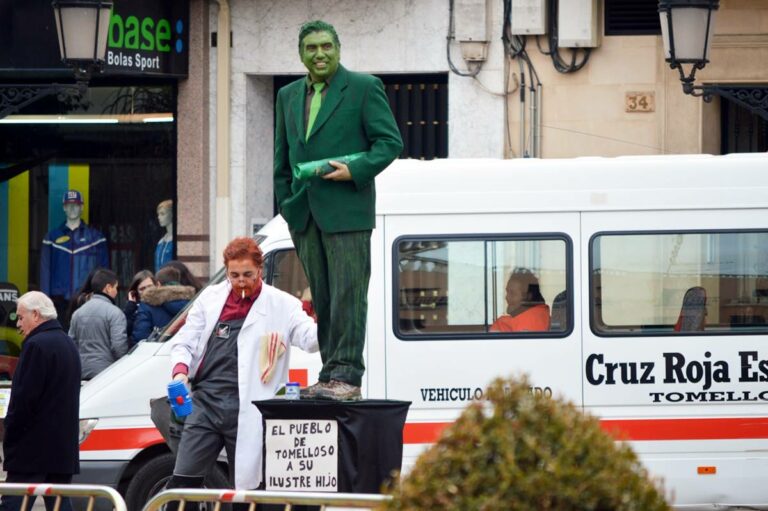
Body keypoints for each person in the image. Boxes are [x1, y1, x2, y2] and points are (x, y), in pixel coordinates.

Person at [273, 20, 403, 401]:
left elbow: (389, 142)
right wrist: (287, 202)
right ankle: (330, 373)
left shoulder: (364, 88)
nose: (319, 54)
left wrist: (355, 170)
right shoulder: (287, 95)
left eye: (326, 46)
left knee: (348, 295)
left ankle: (346, 375)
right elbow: (282, 155)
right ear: (301, 54)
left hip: (348, 212)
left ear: (338, 49)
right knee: (324, 299)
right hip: (305, 213)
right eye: (311, 48)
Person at [166, 237, 318, 493]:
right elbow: (185, 342)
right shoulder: (210, 300)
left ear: (260, 269)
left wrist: (329, 315)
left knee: (247, 492)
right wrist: (180, 371)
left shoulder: (283, 304)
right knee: (183, 483)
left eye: (248, 274)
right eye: (233, 275)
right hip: (206, 405)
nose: (240, 281)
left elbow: (310, 340)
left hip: (249, 409)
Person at [1, 291, 80, 511]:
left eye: (21, 316)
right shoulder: (68, 343)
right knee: (60, 503)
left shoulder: (36, 345)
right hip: (62, 446)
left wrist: (10, 431)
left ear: (35, 315)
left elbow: (24, 400)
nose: (18, 323)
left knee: (13, 503)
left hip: (32, 447)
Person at [40, 190, 108, 324]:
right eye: (69, 205)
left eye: (76, 205)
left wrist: (101, 297)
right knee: (60, 339)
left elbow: (103, 272)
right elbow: (45, 270)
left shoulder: (95, 238)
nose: (72, 208)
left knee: (85, 340)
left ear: (82, 207)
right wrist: (45, 300)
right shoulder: (52, 238)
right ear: (64, 208)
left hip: (87, 299)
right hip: (58, 301)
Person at [68, 268, 129, 379]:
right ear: (108, 288)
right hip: (106, 373)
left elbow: (71, 345)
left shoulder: (77, 313)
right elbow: (119, 348)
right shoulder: (115, 313)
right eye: (116, 287)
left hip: (81, 372)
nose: (116, 291)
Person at [132, 266, 195, 344]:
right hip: (185, 351)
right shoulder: (192, 303)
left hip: (157, 352)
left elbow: (141, 336)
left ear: (158, 284)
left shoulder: (147, 304)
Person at [490, 268, 551, 332]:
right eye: (507, 292)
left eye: (512, 293)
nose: (507, 297)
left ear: (527, 297)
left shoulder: (528, 323)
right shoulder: (538, 316)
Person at [124, 269, 157, 339]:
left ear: (157, 285)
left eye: (150, 286)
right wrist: (130, 307)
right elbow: (125, 332)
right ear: (136, 292)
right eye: (142, 289)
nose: (147, 290)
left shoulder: (165, 304)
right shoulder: (133, 309)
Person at [155, 199, 174, 272]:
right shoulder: (161, 241)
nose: (159, 217)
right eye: (158, 214)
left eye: (162, 214)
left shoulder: (173, 241)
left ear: (172, 214)